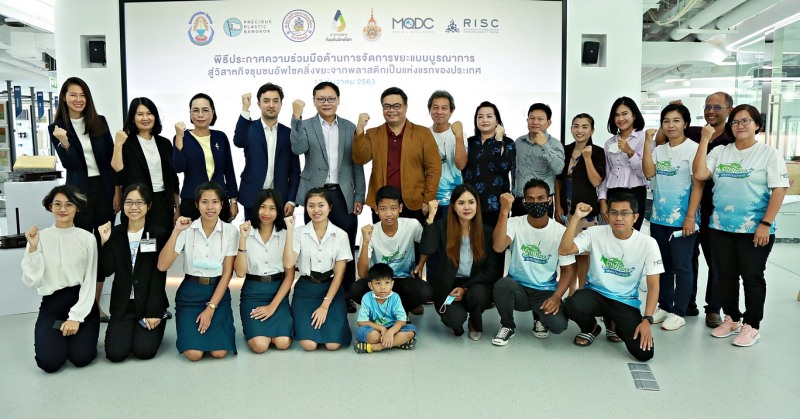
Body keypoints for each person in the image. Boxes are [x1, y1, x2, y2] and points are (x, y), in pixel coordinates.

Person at [692, 104, 789, 347]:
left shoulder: (768, 153)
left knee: (752, 276)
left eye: (746, 121)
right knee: (725, 275)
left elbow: (779, 189)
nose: (740, 126)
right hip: (720, 227)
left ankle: (752, 325)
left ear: (757, 125)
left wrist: (765, 223)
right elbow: (700, 174)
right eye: (735, 122)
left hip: (755, 228)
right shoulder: (721, 151)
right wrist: (704, 140)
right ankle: (733, 318)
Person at [48, 77, 119, 322]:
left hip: (104, 190)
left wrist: (117, 191)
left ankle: (95, 305)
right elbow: (71, 164)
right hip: (78, 193)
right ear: (64, 97)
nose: (78, 100)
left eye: (83, 95)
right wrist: (64, 141)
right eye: (73, 95)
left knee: (101, 247)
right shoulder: (57, 127)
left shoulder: (99, 121)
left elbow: (110, 160)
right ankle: (80, 305)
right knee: (81, 250)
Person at [291, 81, 365, 313]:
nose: (326, 103)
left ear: (338, 100)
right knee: (313, 245)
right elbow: (297, 148)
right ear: (314, 101)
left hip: (343, 194)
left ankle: (346, 294)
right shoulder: (306, 125)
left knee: (346, 246)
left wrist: (359, 195)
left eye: (331, 98)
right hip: (315, 194)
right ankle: (316, 292)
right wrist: (296, 118)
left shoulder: (349, 127)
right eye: (321, 99)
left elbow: (357, 163)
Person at [559, 194, 662, 361]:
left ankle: (613, 323)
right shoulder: (594, 233)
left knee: (644, 353)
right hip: (596, 294)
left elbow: (654, 286)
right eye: (614, 212)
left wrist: (647, 320)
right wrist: (576, 218)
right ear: (608, 215)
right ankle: (591, 328)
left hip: (625, 301)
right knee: (572, 304)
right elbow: (564, 250)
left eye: (625, 213)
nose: (619, 217)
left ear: (635, 217)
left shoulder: (648, 243)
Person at [21, 185, 100, 373]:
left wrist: (76, 317)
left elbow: (90, 281)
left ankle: (76, 336)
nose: (62, 209)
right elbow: (32, 281)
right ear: (50, 207)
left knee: (81, 358)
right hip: (53, 304)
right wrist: (33, 248)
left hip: (82, 302)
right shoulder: (39, 237)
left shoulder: (87, 238)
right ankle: (60, 339)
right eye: (57, 204)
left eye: (69, 204)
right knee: (49, 363)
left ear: (77, 208)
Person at [157, 182, 238, 361]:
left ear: (222, 204)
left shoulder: (231, 231)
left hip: (217, 293)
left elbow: (227, 273)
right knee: (193, 354)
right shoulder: (186, 229)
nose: (210, 207)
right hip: (190, 295)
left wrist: (211, 308)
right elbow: (162, 266)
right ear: (196, 204)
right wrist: (176, 231)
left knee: (219, 353)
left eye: (215, 202)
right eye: (204, 202)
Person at [490, 181, 576, 346]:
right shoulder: (515, 223)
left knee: (558, 326)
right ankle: (507, 325)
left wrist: (557, 297)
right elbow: (498, 247)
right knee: (502, 285)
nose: (536, 202)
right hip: (518, 289)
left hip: (545, 292)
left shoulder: (560, 232)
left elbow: (568, 270)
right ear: (524, 202)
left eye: (541, 198)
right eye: (530, 199)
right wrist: (504, 211)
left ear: (549, 200)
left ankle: (539, 318)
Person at [642, 104, 704, 331]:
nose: (671, 125)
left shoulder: (693, 149)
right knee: (664, 265)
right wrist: (648, 143)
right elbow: (649, 172)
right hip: (659, 218)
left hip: (683, 220)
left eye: (676, 120)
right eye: (666, 121)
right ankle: (665, 305)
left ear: (685, 123)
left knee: (682, 266)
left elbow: (698, 185)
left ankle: (679, 311)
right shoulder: (659, 150)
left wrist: (690, 217)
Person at [680, 92, 735, 326]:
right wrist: (677, 111)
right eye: (707, 106)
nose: (710, 111)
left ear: (729, 110)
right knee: (688, 257)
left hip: (718, 208)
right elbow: (663, 137)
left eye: (716, 107)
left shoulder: (733, 138)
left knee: (717, 261)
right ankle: (688, 302)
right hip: (690, 205)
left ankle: (713, 308)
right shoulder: (694, 132)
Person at [98, 184, 169, 362]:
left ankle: (159, 319)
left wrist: (154, 311)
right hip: (123, 305)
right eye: (129, 202)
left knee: (144, 351)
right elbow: (106, 270)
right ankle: (130, 328)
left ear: (148, 206)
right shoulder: (115, 233)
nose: (134, 207)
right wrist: (105, 242)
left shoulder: (158, 233)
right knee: (115, 354)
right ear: (123, 205)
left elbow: (159, 275)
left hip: (149, 304)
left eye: (139, 202)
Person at [353, 86, 442, 226]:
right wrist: (359, 130)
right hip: (382, 205)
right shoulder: (373, 134)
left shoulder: (422, 133)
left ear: (406, 107)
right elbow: (360, 158)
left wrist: (427, 200)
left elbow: (434, 169)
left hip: (414, 203)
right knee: (383, 240)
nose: (391, 110)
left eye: (396, 106)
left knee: (416, 240)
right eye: (387, 106)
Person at [420, 184, 497, 341]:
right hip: (448, 285)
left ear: (477, 205)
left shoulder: (487, 232)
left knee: (478, 295)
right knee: (454, 319)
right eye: (461, 203)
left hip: (474, 284)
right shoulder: (442, 227)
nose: (467, 207)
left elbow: (490, 270)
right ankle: (456, 321)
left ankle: (474, 322)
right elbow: (427, 248)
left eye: (471, 202)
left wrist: (465, 288)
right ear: (454, 207)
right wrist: (431, 218)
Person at [284, 188, 353, 351]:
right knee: (309, 345)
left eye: (321, 205)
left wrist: (325, 305)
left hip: (331, 290)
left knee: (333, 345)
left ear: (330, 207)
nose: (316, 210)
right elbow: (288, 263)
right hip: (306, 290)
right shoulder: (298, 233)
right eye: (311, 206)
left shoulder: (341, 235)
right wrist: (289, 230)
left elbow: (339, 275)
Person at [352, 186, 433, 315]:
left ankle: (397, 309)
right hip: (380, 282)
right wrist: (366, 242)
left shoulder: (412, 225)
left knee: (426, 291)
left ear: (400, 208)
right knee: (356, 289)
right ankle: (391, 310)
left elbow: (427, 243)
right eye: (383, 209)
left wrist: (420, 265)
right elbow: (362, 274)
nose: (388, 214)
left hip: (404, 280)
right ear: (376, 209)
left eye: (393, 208)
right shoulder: (370, 232)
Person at [233, 189, 294, 353]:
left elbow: (290, 276)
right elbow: (240, 273)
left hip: (278, 293)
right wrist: (243, 239)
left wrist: (272, 307)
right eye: (263, 207)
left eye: (272, 208)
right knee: (260, 346)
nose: (266, 213)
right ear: (256, 208)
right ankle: (256, 332)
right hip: (253, 293)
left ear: (279, 211)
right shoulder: (246, 233)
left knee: (283, 343)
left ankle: (274, 327)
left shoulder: (286, 234)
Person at [111, 97, 180, 231]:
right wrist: (118, 145)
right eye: (140, 114)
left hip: (163, 202)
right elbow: (117, 169)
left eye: (149, 113)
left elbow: (173, 177)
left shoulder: (164, 143)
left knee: (163, 240)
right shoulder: (126, 142)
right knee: (138, 241)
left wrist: (177, 207)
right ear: (133, 118)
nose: (145, 118)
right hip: (137, 202)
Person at [555, 113, 605, 293]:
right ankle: (570, 290)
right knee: (567, 253)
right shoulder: (565, 150)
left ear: (592, 130)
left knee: (583, 252)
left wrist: (587, 158)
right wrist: (558, 205)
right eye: (576, 126)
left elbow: (596, 181)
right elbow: (558, 180)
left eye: (585, 126)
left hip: (585, 211)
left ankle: (581, 290)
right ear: (571, 129)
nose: (580, 130)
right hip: (566, 210)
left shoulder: (598, 152)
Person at [235, 83, 300, 219]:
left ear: (281, 104)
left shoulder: (288, 133)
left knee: (281, 233)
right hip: (252, 195)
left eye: (275, 101)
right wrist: (245, 108)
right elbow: (238, 141)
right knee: (251, 232)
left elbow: (295, 170)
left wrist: (291, 200)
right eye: (266, 101)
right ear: (259, 104)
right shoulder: (249, 128)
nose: (271, 105)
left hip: (281, 198)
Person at [173, 93, 238, 222]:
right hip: (191, 201)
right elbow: (178, 168)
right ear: (190, 114)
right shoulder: (182, 137)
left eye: (205, 110)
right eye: (195, 110)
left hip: (219, 201)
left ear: (212, 113)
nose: (200, 115)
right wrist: (179, 137)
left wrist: (233, 200)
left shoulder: (220, 137)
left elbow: (229, 171)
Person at [461, 101, 515, 228]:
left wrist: (498, 140)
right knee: (470, 239)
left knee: (495, 239)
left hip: (496, 205)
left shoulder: (507, 142)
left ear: (497, 121)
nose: (484, 120)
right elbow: (461, 166)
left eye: (489, 116)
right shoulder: (469, 142)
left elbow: (504, 166)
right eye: (480, 117)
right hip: (470, 203)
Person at [598, 97, 648, 231]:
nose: (620, 119)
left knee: (632, 235)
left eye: (625, 114)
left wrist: (630, 151)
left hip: (635, 192)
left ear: (634, 115)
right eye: (616, 115)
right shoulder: (609, 142)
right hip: (613, 193)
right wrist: (602, 200)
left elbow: (645, 173)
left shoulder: (644, 138)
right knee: (611, 234)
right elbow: (606, 173)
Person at [512, 103, 565, 217]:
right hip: (519, 200)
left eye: (540, 119)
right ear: (527, 120)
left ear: (548, 123)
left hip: (541, 202)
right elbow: (514, 170)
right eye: (532, 118)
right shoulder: (518, 142)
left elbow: (558, 169)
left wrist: (544, 145)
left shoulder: (554, 144)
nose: (535, 122)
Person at [354, 263, 418, 353]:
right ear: (370, 285)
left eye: (387, 283)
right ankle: (397, 343)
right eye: (378, 283)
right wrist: (382, 329)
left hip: (393, 328)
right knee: (364, 333)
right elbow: (361, 322)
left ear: (392, 284)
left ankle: (377, 346)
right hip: (375, 329)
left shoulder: (395, 297)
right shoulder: (367, 297)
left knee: (412, 330)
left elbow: (402, 320)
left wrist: (390, 332)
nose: (383, 287)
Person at [427, 90, 467, 219]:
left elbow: (461, 164)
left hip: (453, 199)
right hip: (429, 199)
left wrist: (459, 136)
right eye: (435, 107)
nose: (439, 112)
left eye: (444, 108)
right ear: (429, 110)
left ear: (451, 111)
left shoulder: (458, 134)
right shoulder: (424, 134)